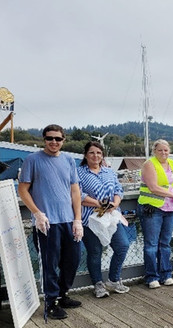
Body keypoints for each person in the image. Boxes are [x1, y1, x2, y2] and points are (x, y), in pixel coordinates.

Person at [18, 124, 83, 320]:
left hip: (68, 220)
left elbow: (75, 191)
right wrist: (37, 213)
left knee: (72, 261)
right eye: (49, 138)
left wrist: (77, 219)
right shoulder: (33, 160)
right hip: (47, 223)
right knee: (49, 263)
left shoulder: (69, 160)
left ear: (64, 140)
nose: (53, 142)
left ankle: (63, 295)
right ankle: (51, 302)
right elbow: (22, 190)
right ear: (44, 139)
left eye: (58, 139)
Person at [78, 141, 130, 298]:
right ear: (86, 155)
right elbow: (77, 195)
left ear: (102, 156)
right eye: (92, 153)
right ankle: (98, 284)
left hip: (111, 218)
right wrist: (98, 203)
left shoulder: (109, 172)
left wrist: (114, 204)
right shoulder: (78, 172)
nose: (95, 156)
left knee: (122, 246)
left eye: (99, 153)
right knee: (95, 252)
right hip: (90, 218)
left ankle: (114, 279)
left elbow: (118, 190)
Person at [138, 139, 173, 288]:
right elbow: (153, 187)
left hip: (169, 208)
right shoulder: (149, 164)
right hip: (152, 207)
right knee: (151, 244)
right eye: (160, 150)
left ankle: (166, 274)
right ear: (154, 151)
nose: (164, 153)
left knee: (165, 243)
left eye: (166, 150)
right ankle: (151, 276)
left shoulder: (172, 164)